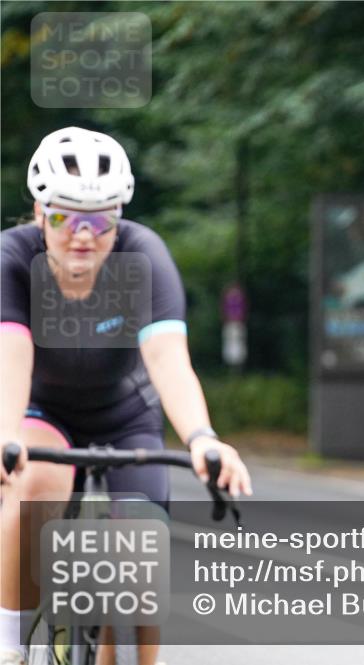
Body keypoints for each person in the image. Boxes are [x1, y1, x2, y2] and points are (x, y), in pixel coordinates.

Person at [0, 127, 253, 665]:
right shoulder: (13, 258)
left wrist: (202, 438)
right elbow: (11, 356)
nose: (83, 235)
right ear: (40, 213)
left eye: (100, 220)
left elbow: (167, 358)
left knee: (141, 554)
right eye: (65, 218)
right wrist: (4, 436)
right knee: (37, 484)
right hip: (42, 411)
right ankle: (10, 642)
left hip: (125, 416)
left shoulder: (143, 255)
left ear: (118, 218)